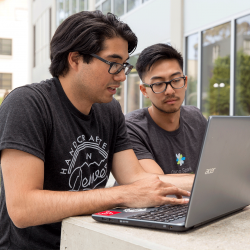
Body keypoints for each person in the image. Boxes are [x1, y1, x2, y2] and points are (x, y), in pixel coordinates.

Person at [0, 12, 190, 250]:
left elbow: (136, 179)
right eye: (113, 64)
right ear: (76, 59)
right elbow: (23, 208)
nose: (121, 76)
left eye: (124, 66)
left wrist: (206, 182)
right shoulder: (28, 104)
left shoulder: (109, 110)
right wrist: (122, 195)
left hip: (88, 241)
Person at [125, 44, 207, 192]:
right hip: (147, 211)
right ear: (144, 90)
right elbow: (156, 183)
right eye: (158, 84)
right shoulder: (131, 127)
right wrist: (212, 180)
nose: (169, 91)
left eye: (176, 80)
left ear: (185, 82)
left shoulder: (196, 118)